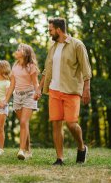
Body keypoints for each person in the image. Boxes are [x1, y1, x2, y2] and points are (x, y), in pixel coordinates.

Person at [36, 17, 92, 165]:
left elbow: (86, 69)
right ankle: (59, 158)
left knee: (71, 123)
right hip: (54, 90)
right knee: (56, 123)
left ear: (58, 30)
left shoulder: (77, 45)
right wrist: (39, 87)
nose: (49, 33)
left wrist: (87, 89)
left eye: (50, 30)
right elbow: (47, 69)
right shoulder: (53, 48)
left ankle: (81, 147)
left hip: (71, 90)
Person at [0, 43, 39, 160]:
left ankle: (21, 150)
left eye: (19, 50)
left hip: (29, 95)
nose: (16, 51)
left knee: (23, 122)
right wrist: (6, 100)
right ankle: (28, 150)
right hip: (17, 97)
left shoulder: (31, 66)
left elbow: (35, 82)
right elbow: (12, 84)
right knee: (24, 124)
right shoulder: (15, 66)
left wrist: (38, 91)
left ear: (25, 53)